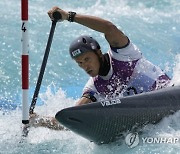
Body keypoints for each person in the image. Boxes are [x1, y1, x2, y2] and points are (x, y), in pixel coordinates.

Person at [29, 6, 171, 130]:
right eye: (80, 63)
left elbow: (109, 28)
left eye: (87, 59)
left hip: (170, 95)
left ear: (98, 52)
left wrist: (69, 16)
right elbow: (73, 118)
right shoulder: (94, 87)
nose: (85, 66)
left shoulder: (123, 54)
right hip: (150, 116)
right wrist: (39, 121)